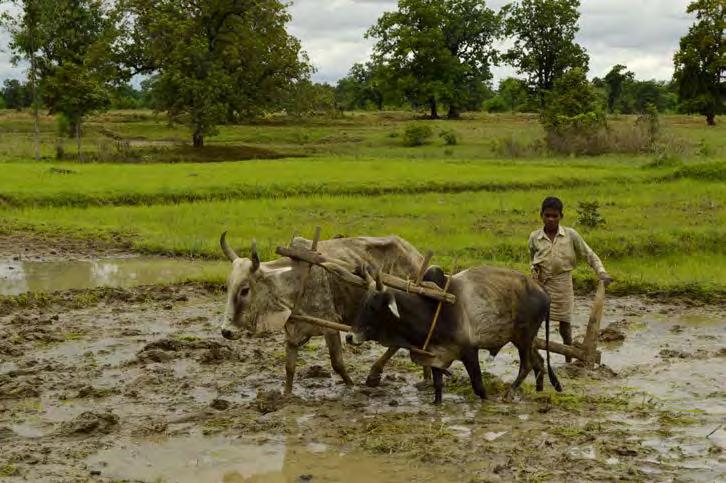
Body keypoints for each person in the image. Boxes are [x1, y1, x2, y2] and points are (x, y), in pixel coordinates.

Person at [528, 197, 612, 361]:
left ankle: (569, 357)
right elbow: (532, 258)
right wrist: (534, 270)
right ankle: (533, 355)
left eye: (555, 216)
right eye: (547, 215)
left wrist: (601, 272)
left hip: (562, 284)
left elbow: (589, 254)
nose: (551, 219)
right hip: (541, 285)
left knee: (564, 325)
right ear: (541, 216)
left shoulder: (570, 235)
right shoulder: (534, 237)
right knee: (534, 322)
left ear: (561, 216)